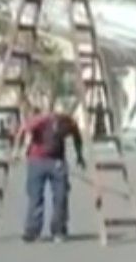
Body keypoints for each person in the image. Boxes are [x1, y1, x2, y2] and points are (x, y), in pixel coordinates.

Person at [17, 103, 86, 243]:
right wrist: (17, 151)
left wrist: (79, 156)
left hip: (57, 162)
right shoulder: (41, 120)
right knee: (35, 197)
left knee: (61, 196)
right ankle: (32, 231)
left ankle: (59, 230)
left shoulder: (68, 122)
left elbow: (77, 136)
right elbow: (24, 130)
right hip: (37, 160)